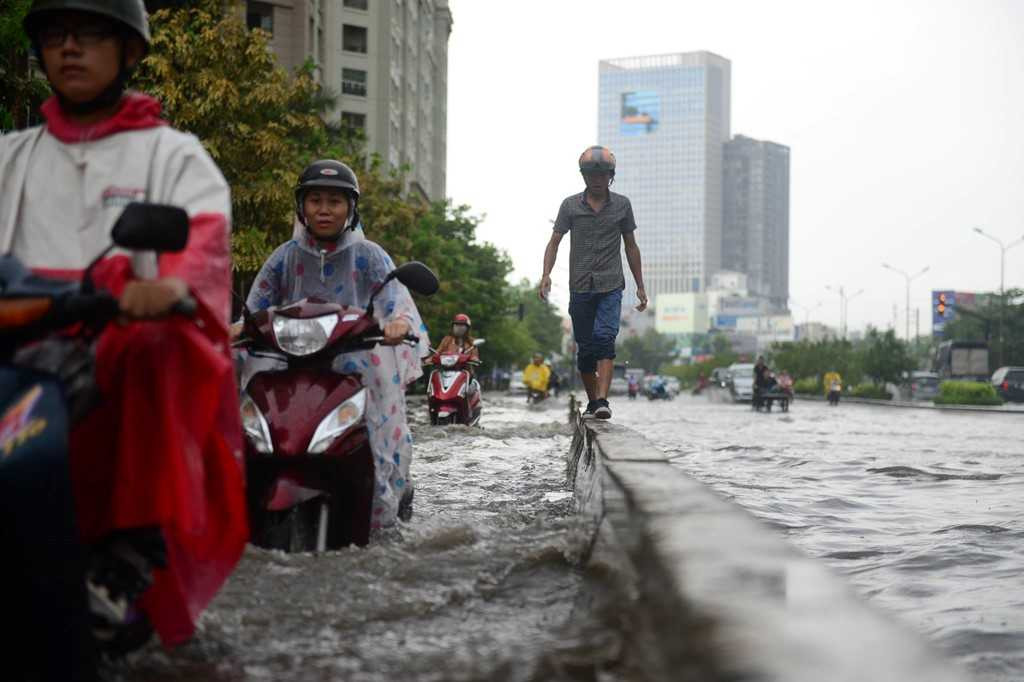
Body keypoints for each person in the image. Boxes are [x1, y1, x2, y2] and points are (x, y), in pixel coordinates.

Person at [0, 0, 247, 675]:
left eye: (90, 34)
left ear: (130, 51)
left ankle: (125, 558)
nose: (70, 48)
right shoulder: (11, 155)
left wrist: (165, 286)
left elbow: (202, 238)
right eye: (55, 35)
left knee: (153, 345)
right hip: (20, 338)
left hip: (122, 337)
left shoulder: (172, 154)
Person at [240, 159, 428, 529]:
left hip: (354, 362)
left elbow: (396, 300)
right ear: (302, 207)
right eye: (315, 201)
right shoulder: (285, 256)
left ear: (351, 208)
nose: (324, 210)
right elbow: (255, 306)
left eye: (335, 202)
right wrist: (235, 327)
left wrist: (399, 322)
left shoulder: (370, 255)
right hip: (286, 363)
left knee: (377, 431)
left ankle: (380, 508)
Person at [539, 145, 647, 420]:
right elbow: (554, 242)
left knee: (604, 339)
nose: (597, 179)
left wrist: (640, 286)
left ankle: (602, 401)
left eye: (602, 174)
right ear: (584, 176)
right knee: (585, 350)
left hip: (611, 285)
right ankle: (593, 402)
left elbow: (631, 247)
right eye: (591, 174)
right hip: (580, 286)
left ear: (611, 176)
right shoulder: (570, 205)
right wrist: (546, 275)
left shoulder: (622, 205)